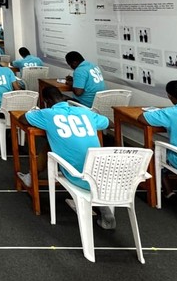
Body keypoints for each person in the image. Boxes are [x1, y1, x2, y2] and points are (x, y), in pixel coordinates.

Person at [17, 86, 113, 229]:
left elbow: (23, 119)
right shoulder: (85, 112)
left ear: (47, 101)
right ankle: (31, 176)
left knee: (53, 148)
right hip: (105, 175)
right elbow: (109, 123)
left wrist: (35, 111)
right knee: (53, 144)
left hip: (77, 176)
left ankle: (32, 177)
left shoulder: (48, 114)